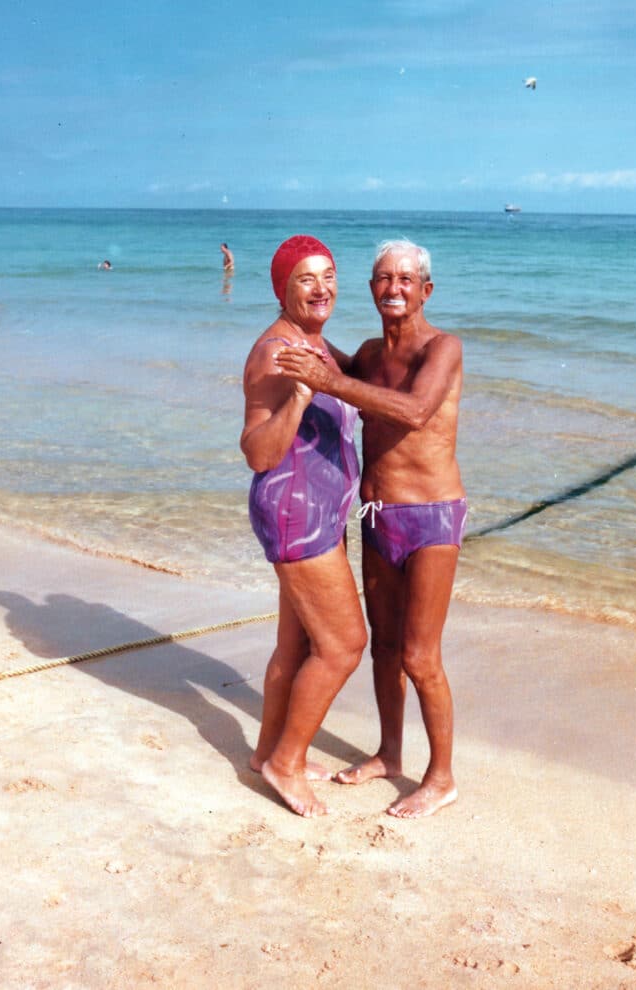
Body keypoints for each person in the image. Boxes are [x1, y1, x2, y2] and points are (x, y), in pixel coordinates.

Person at [275, 239, 465, 819]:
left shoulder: (444, 348)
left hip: (431, 515)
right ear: (371, 289)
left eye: (407, 280)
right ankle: (389, 753)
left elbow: (410, 411)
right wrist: (291, 322)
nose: (394, 288)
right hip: (377, 516)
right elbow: (329, 363)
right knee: (382, 647)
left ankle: (441, 777)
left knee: (418, 654)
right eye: (384, 279)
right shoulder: (364, 353)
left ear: (426, 290)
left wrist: (326, 379)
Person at [240, 235, 367, 818]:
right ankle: (286, 763)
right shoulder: (276, 352)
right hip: (296, 513)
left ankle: (267, 751)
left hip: (317, 512)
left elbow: (354, 377)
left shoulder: (309, 342)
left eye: (330, 275)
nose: (323, 288)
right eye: (307, 279)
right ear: (283, 289)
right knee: (343, 646)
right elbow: (258, 452)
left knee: (295, 646)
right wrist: (297, 400)